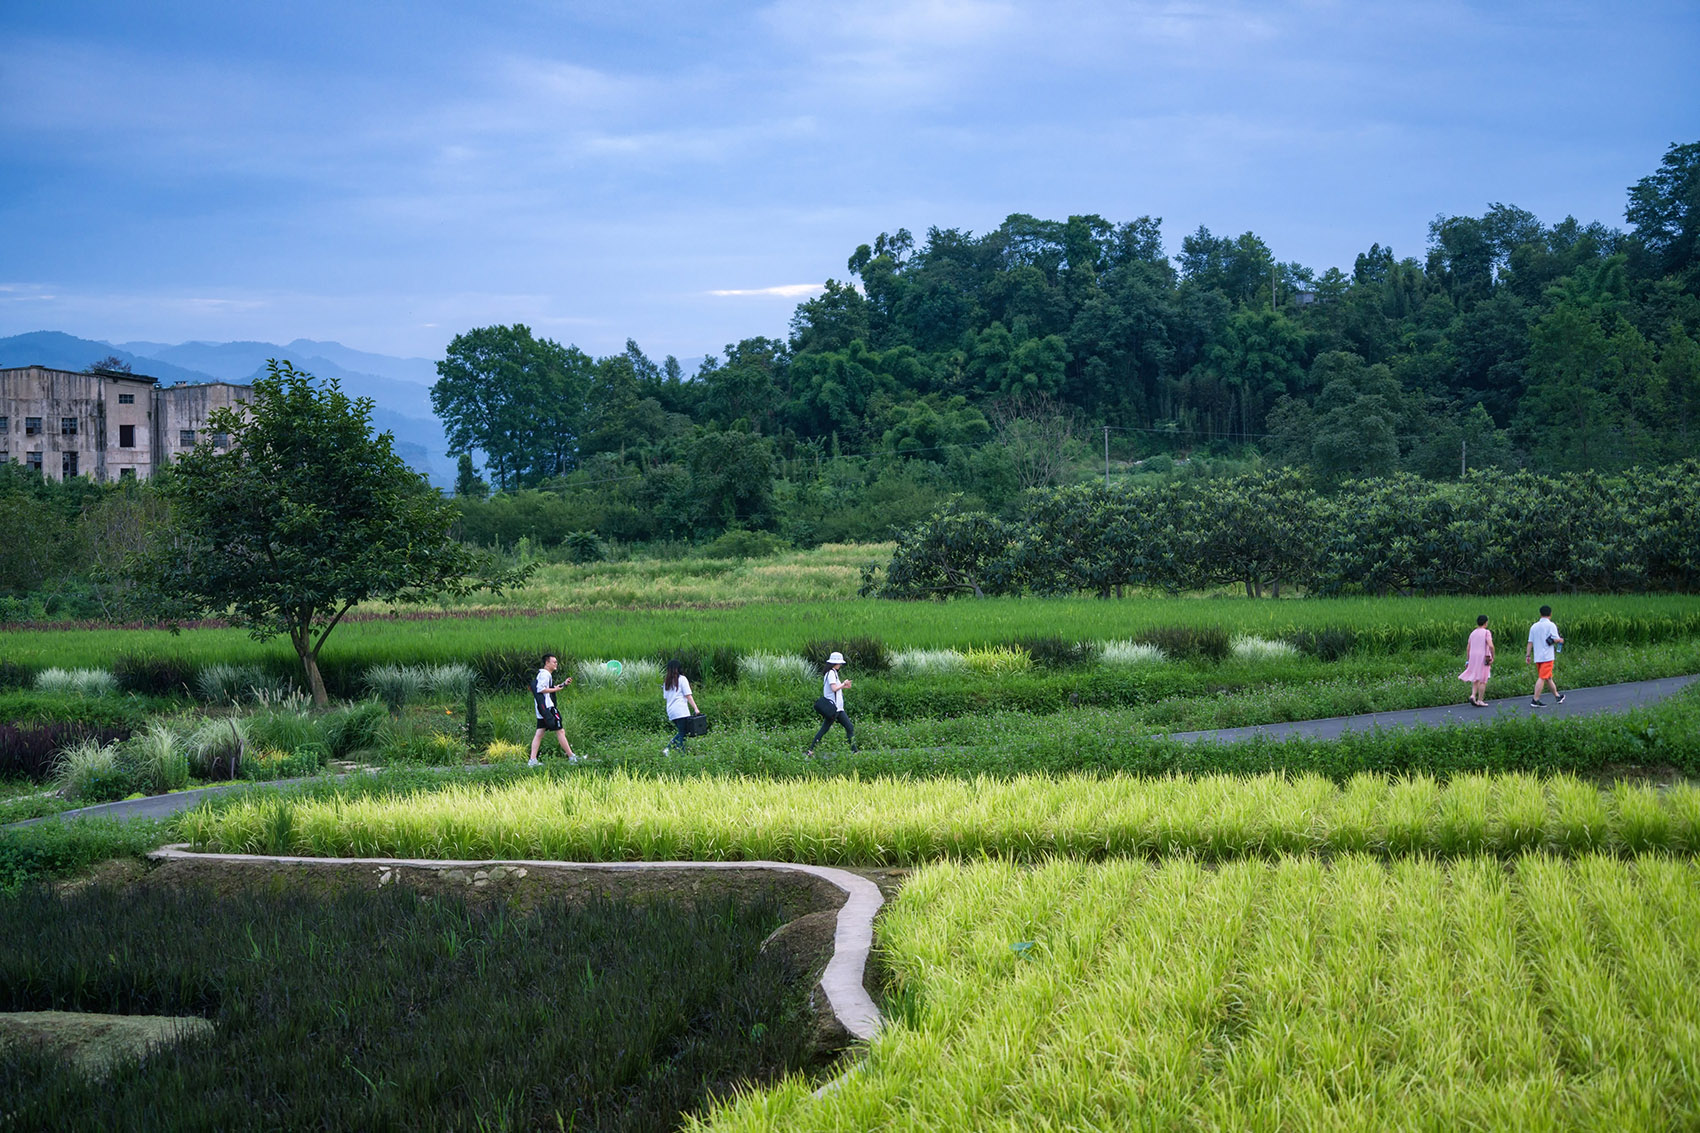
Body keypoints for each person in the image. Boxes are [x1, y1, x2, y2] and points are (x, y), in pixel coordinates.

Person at [806, 651, 857, 757]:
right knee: (826, 729)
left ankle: (854, 751)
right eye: (840, 663)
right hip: (834, 708)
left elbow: (836, 688)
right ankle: (811, 750)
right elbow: (834, 688)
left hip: (838, 708)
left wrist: (844, 685)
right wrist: (843, 684)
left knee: (849, 727)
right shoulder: (831, 673)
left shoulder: (833, 673)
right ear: (835, 663)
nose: (840, 665)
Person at [530, 654, 578, 764]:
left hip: (542, 709)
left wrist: (563, 684)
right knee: (560, 731)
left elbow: (549, 688)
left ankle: (532, 760)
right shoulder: (545, 674)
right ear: (547, 663)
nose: (556, 664)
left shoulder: (544, 674)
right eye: (554, 662)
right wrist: (555, 690)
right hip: (548, 708)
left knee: (539, 733)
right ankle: (571, 757)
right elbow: (540, 689)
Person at [1525, 605, 1566, 707]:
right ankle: (1535, 700)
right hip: (1547, 657)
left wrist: (1528, 655)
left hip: (1538, 656)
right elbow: (1556, 639)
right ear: (1550, 614)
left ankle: (1557, 696)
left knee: (1548, 678)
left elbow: (1530, 642)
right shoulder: (1551, 625)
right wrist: (1560, 640)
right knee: (1542, 677)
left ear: (1540, 614)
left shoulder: (1534, 626)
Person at [662, 659, 700, 754]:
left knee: (682, 731)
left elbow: (666, 697)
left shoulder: (666, 682)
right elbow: (688, 695)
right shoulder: (682, 679)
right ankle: (680, 754)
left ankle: (668, 749)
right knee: (683, 733)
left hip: (671, 711)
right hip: (681, 710)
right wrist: (696, 708)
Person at [1458, 614, 1495, 707]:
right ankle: (1480, 700)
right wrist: (1493, 656)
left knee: (1475, 676)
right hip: (1483, 657)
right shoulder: (1487, 632)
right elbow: (1490, 645)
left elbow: (1468, 648)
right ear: (1486, 623)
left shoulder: (1473, 633)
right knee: (1483, 679)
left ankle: (1473, 695)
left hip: (1473, 657)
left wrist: (1468, 659)